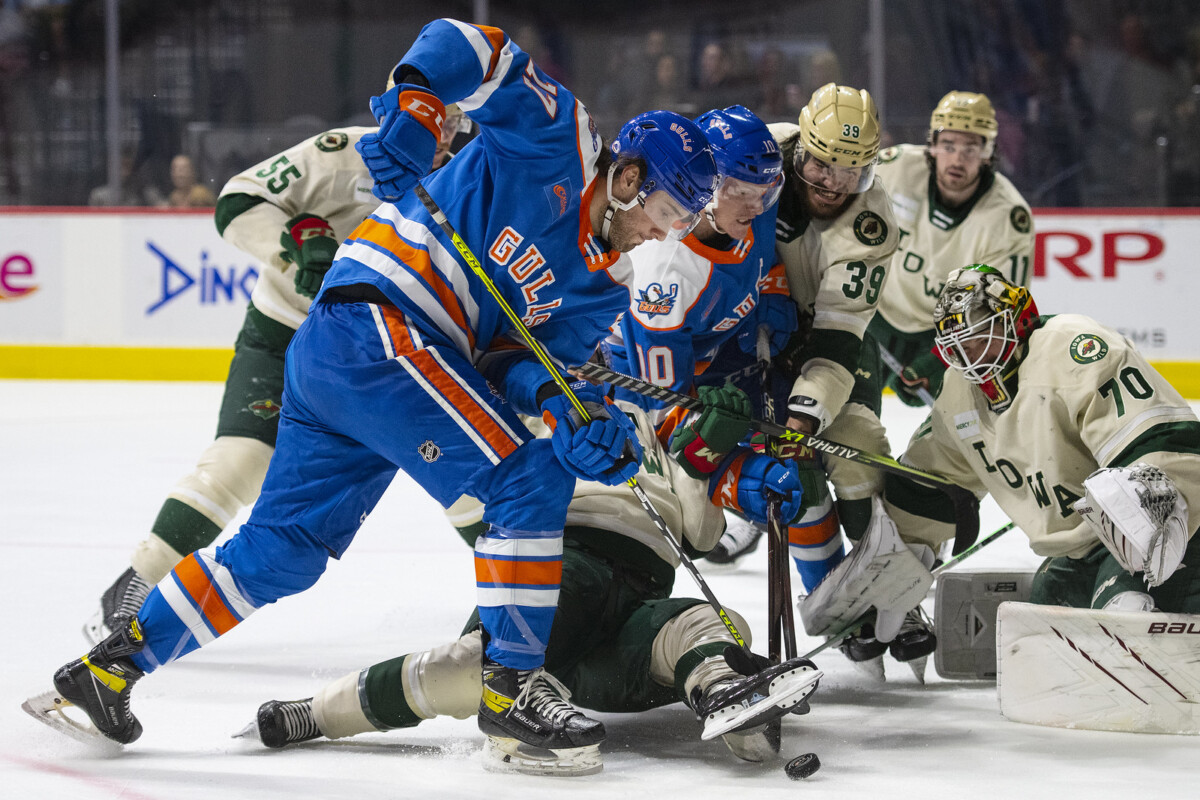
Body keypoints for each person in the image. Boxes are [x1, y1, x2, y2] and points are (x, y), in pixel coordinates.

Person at [34, 18, 719, 772]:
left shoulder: (601, 291)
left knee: (284, 551)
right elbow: (471, 43)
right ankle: (512, 688)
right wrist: (420, 104)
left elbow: (510, 365)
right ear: (629, 181)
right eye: (666, 216)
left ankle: (108, 671)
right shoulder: (559, 134)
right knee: (527, 479)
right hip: (380, 325)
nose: (660, 238)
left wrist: (564, 411)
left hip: (357, 354)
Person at [237, 392, 819, 775]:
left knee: (712, 623)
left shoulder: (662, 433)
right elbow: (478, 508)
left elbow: (698, 536)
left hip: (641, 595)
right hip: (559, 567)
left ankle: (723, 695)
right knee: (471, 669)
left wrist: (699, 464)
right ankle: (315, 713)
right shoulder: (532, 407)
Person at [82, 108, 469, 647]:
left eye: (453, 115)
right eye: (429, 110)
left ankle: (531, 596)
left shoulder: (468, 179)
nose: (441, 128)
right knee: (240, 459)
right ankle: (138, 581)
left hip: (390, 356)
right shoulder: (342, 152)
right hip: (287, 332)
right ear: (394, 105)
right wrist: (296, 241)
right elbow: (239, 199)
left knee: (471, 469)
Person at [880, 263, 1200, 613]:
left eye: (979, 337)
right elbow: (927, 485)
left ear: (1015, 318)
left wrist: (1157, 520)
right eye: (959, 347)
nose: (970, 356)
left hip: (1168, 534)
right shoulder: (958, 397)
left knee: (1124, 620)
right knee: (1033, 640)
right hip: (1079, 554)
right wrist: (887, 560)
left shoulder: (1071, 347)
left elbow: (1161, 445)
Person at [605, 104, 793, 433]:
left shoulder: (751, 204)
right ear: (707, 183)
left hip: (716, 362)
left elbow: (763, 255)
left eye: (766, 192)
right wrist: (710, 446)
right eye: (744, 192)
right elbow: (666, 415)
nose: (757, 206)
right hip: (634, 385)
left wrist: (772, 289)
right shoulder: (663, 276)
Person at [870, 91, 1034, 408]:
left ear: (988, 152)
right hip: (872, 319)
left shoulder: (1008, 217)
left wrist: (941, 359)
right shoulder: (893, 168)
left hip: (944, 337)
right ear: (932, 144)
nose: (958, 160)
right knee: (845, 422)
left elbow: (1002, 313)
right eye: (948, 146)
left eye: (971, 148)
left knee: (960, 438)